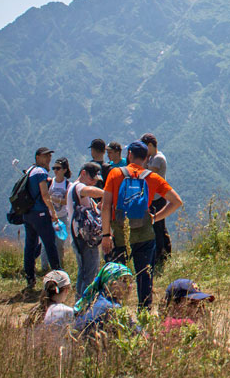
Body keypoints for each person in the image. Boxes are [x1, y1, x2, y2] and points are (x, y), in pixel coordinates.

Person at [100, 141, 183, 310]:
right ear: (146, 158)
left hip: (120, 234)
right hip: (145, 234)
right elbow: (176, 202)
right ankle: (144, 313)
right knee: (145, 277)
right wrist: (155, 218)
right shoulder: (152, 177)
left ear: (129, 154)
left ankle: (114, 312)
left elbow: (106, 205)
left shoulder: (115, 173)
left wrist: (106, 235)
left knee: (117, 276)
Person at [21, 147, 62, 291]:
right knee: (50, 244)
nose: (48, 159)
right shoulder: (41, 172)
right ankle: (59, 277)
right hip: (40, 214)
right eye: (45, 156)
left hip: (28, 214)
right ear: (37, 157)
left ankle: (30, 278)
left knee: (30, 245)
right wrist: (53, 212)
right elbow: (45, 194)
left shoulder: (30, 171)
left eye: (49, 156)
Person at [73, 262, 141, 340]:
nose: (129, 286)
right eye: (124, 281)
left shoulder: (94, 298)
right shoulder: (112, 307)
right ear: (110, 282)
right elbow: (138, 333)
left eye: (131, 281)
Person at [68, 162, 105, 298]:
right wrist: (107, 193)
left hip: (80, 237)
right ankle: (84, 305)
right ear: (83, 173)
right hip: (83, 239)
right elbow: (88, 191)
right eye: (92, 178)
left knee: (84, 272)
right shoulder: (78, 186)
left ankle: (81, 303)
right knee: (89, 273)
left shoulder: (77, 189)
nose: (94, 182)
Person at [141, 133, 171, 268]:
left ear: (150, 146)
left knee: (157, 226)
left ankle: (160, 255)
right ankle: (165, 253)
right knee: (159, 226)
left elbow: (149, 172)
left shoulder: (158, 158)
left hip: (158, 197)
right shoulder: (153, 157)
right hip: (155, 196)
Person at [41, 157, 71, 273]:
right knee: (46, 242)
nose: (55, 170)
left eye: (58, 168)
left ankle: (59, 266)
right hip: (49, 216)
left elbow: (66, 201)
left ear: (64, 170)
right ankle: (44, 267)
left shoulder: (68, 184)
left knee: (59, 243)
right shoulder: (49, 182)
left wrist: (52, 199)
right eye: (54, 168)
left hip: (62, 217)